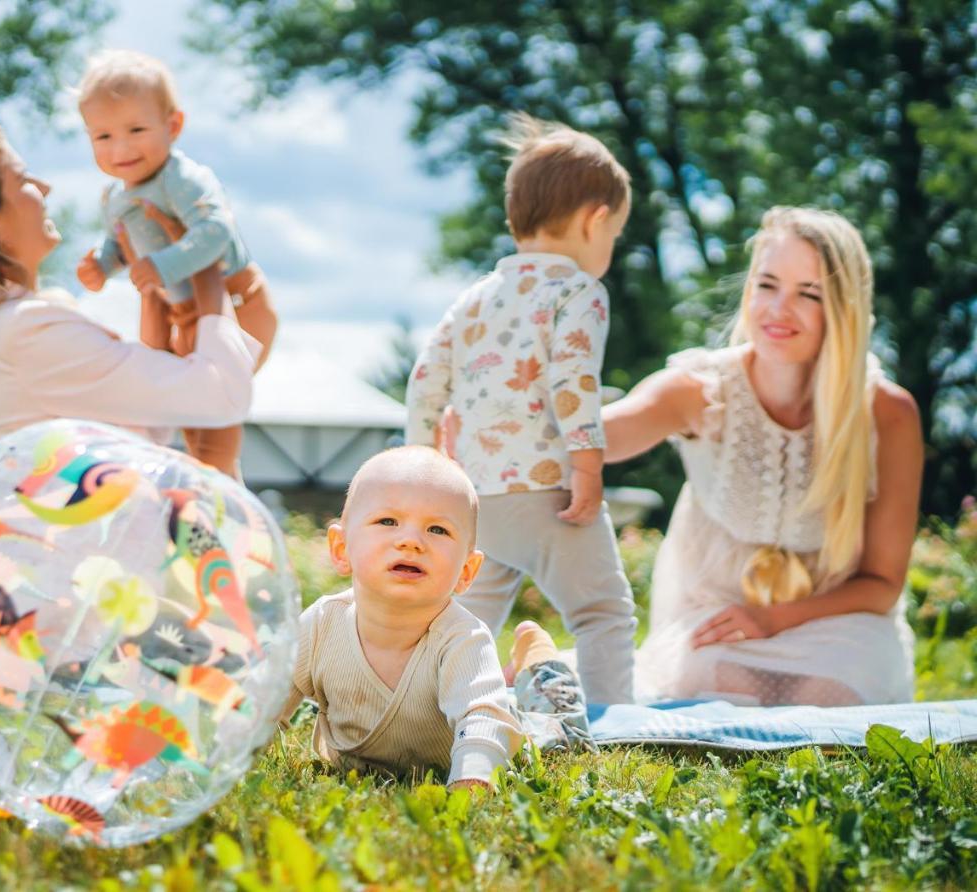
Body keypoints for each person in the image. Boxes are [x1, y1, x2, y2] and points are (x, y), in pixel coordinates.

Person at [604, 207, 923, 706]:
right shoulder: (699, 390)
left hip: (839, 623)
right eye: (767, 285)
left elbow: (881, 584)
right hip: (717, 609)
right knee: (716, 683)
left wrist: (771, 620)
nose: (779, 309)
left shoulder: (887, 413)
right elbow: (601, 436)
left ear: (843, 308)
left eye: (809, 294)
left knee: (831, 692)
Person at [405, 115, 637, 705]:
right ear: (596, 219)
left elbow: (426, 381)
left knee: (467, 623)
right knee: (602, 611)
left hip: (480, 498)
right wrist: (587, 465)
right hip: (548, 491)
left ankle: (442, 711)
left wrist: (427, 466)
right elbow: (572, 380)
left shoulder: (473, 299)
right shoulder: (578, 291)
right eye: (615, 234)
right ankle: (619, 724)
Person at [0, 122, 260, 466]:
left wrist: (154, 289)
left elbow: (146, 424)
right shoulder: (27, 332)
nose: (46, 187)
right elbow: (223, 397)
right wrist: (205, 262)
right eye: (24, 178)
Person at [281, 446, 593, 790]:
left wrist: (471, 782)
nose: (411, 541)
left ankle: (542, 667)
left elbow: (482, 717)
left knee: (555, 733)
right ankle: (511, 674)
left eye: (438, 530)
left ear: (466, 570)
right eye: (388, 521)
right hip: (367, 768)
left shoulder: (462, 638)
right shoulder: (321, 624)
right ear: (341, 549)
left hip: (505, 733)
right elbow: (267, 700)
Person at [74, 49, 279, 478]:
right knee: (192, 427)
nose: (121, 148)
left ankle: (224, 501)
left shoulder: (183, 180)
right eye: (103, 136)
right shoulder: (115, 195)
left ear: (173, 126)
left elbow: (216, 231)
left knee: (215, 428)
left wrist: (166, 264)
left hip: (237, 305)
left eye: (136, 129)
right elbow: (119, 242)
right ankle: (200, 497)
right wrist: (101, 263)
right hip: (183, 316)